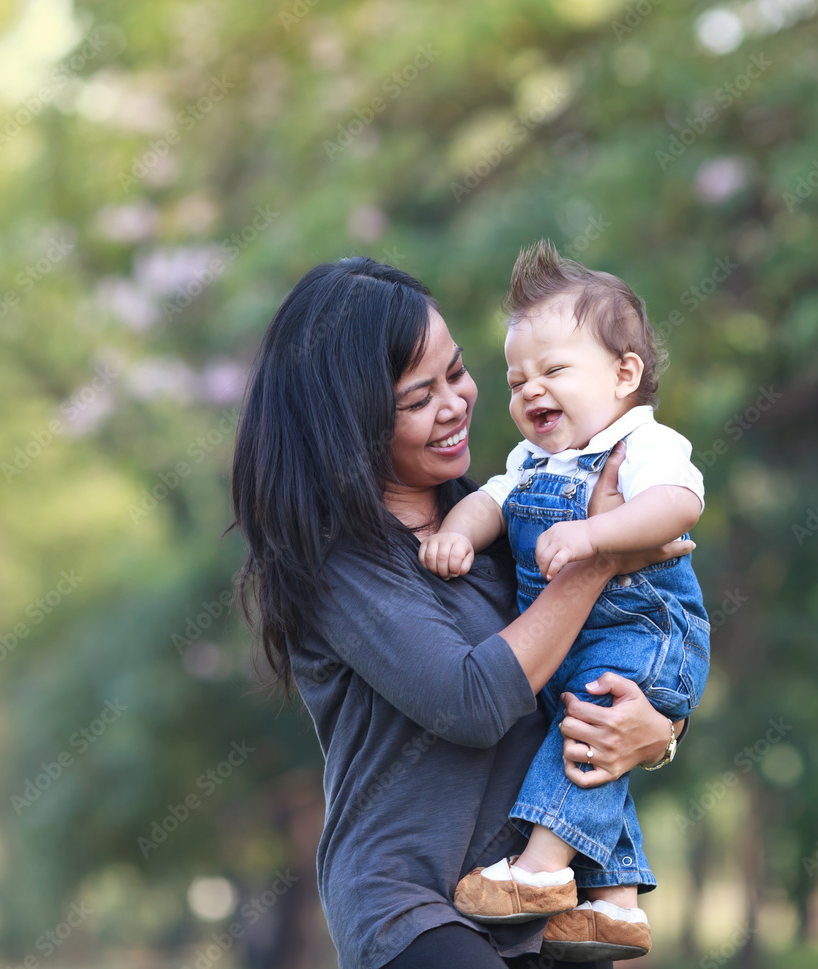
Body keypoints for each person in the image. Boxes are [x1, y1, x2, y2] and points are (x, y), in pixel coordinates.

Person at [230, 256, 694, 969]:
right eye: (419, 398)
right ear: (350, 425)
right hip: (414, 912)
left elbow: (614, 644)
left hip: (539, 907)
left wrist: (656, 732)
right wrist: (598, 557)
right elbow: (471, 700)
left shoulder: (509, 518)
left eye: (458, 371)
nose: (457, 403)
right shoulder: (339, 566)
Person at [418, 242, 710, 961]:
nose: (528, 392)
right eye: (517, 380)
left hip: (645, 634)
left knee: (582, 736)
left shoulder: (642, 442)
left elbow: (679, 505)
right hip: (585, 646)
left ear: (624, 374)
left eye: (553, 371)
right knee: (594, 740)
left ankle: (541, 873)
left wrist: (596, 535)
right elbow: (491, 500)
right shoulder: (530, 463)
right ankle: (613, 904)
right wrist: (457, 534)